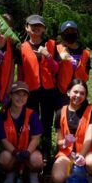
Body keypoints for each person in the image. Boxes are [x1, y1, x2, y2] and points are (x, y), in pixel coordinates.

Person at [19, 14, 60, 164]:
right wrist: (20, 89)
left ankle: (47, 152)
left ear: (43, 28)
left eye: (40, 26)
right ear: (27, 27)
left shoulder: (51, 45)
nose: (36, 28)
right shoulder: (22, 47)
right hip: (31, 91)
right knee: (32, 121)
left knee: (47, 122)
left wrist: (47, 55)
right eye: (33, 25)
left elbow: (56, 69)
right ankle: (32, 151)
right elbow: (21, 71)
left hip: (48, 90)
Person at [52, 80, 92, 183]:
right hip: (67, 154)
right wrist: (64, 142)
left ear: (85, 96)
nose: (78, 96)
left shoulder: (91, 109)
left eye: (82, 93)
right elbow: (58, 141)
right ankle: (71, 176)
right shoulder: (60, 112)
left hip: (86, 152)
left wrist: (82, 156)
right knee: (57, 179)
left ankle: (90, 176)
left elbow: (89, 136)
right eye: (75, 92)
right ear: (68, 92)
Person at [0, 81, 44, 183]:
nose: (20, 98)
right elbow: (3, 139)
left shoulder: (32, 114)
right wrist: (15, 152)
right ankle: (10, 173)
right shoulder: (2, 115)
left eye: (24, 95)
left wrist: (27, 153)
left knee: (37, 159)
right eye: (17, 94)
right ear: (11, 95)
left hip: (28, 152)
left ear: (27, 98)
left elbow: (36, 138)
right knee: (4, 158)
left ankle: (32, 173)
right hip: (12, 153)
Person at [55, 20, 91, 107]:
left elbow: (87, 72)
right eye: (67, 32)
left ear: (77, 33)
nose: (70, 33)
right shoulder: (56, 49)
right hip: (61, 93)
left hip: (79, 92)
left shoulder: (85, 52)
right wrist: (59, 58)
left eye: (72, 31)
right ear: (62, 35)